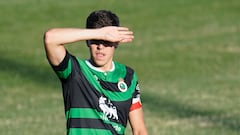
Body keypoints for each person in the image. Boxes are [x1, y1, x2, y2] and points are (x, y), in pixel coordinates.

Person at [43, 10, 148, 135]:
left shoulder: (128, 76)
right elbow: (50, 38)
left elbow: (140, 130)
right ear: (87, 41)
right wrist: (100, 33)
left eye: (107, 41)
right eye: (95, 40)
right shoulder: (75, 71)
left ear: (116, 42)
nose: (100, 47)